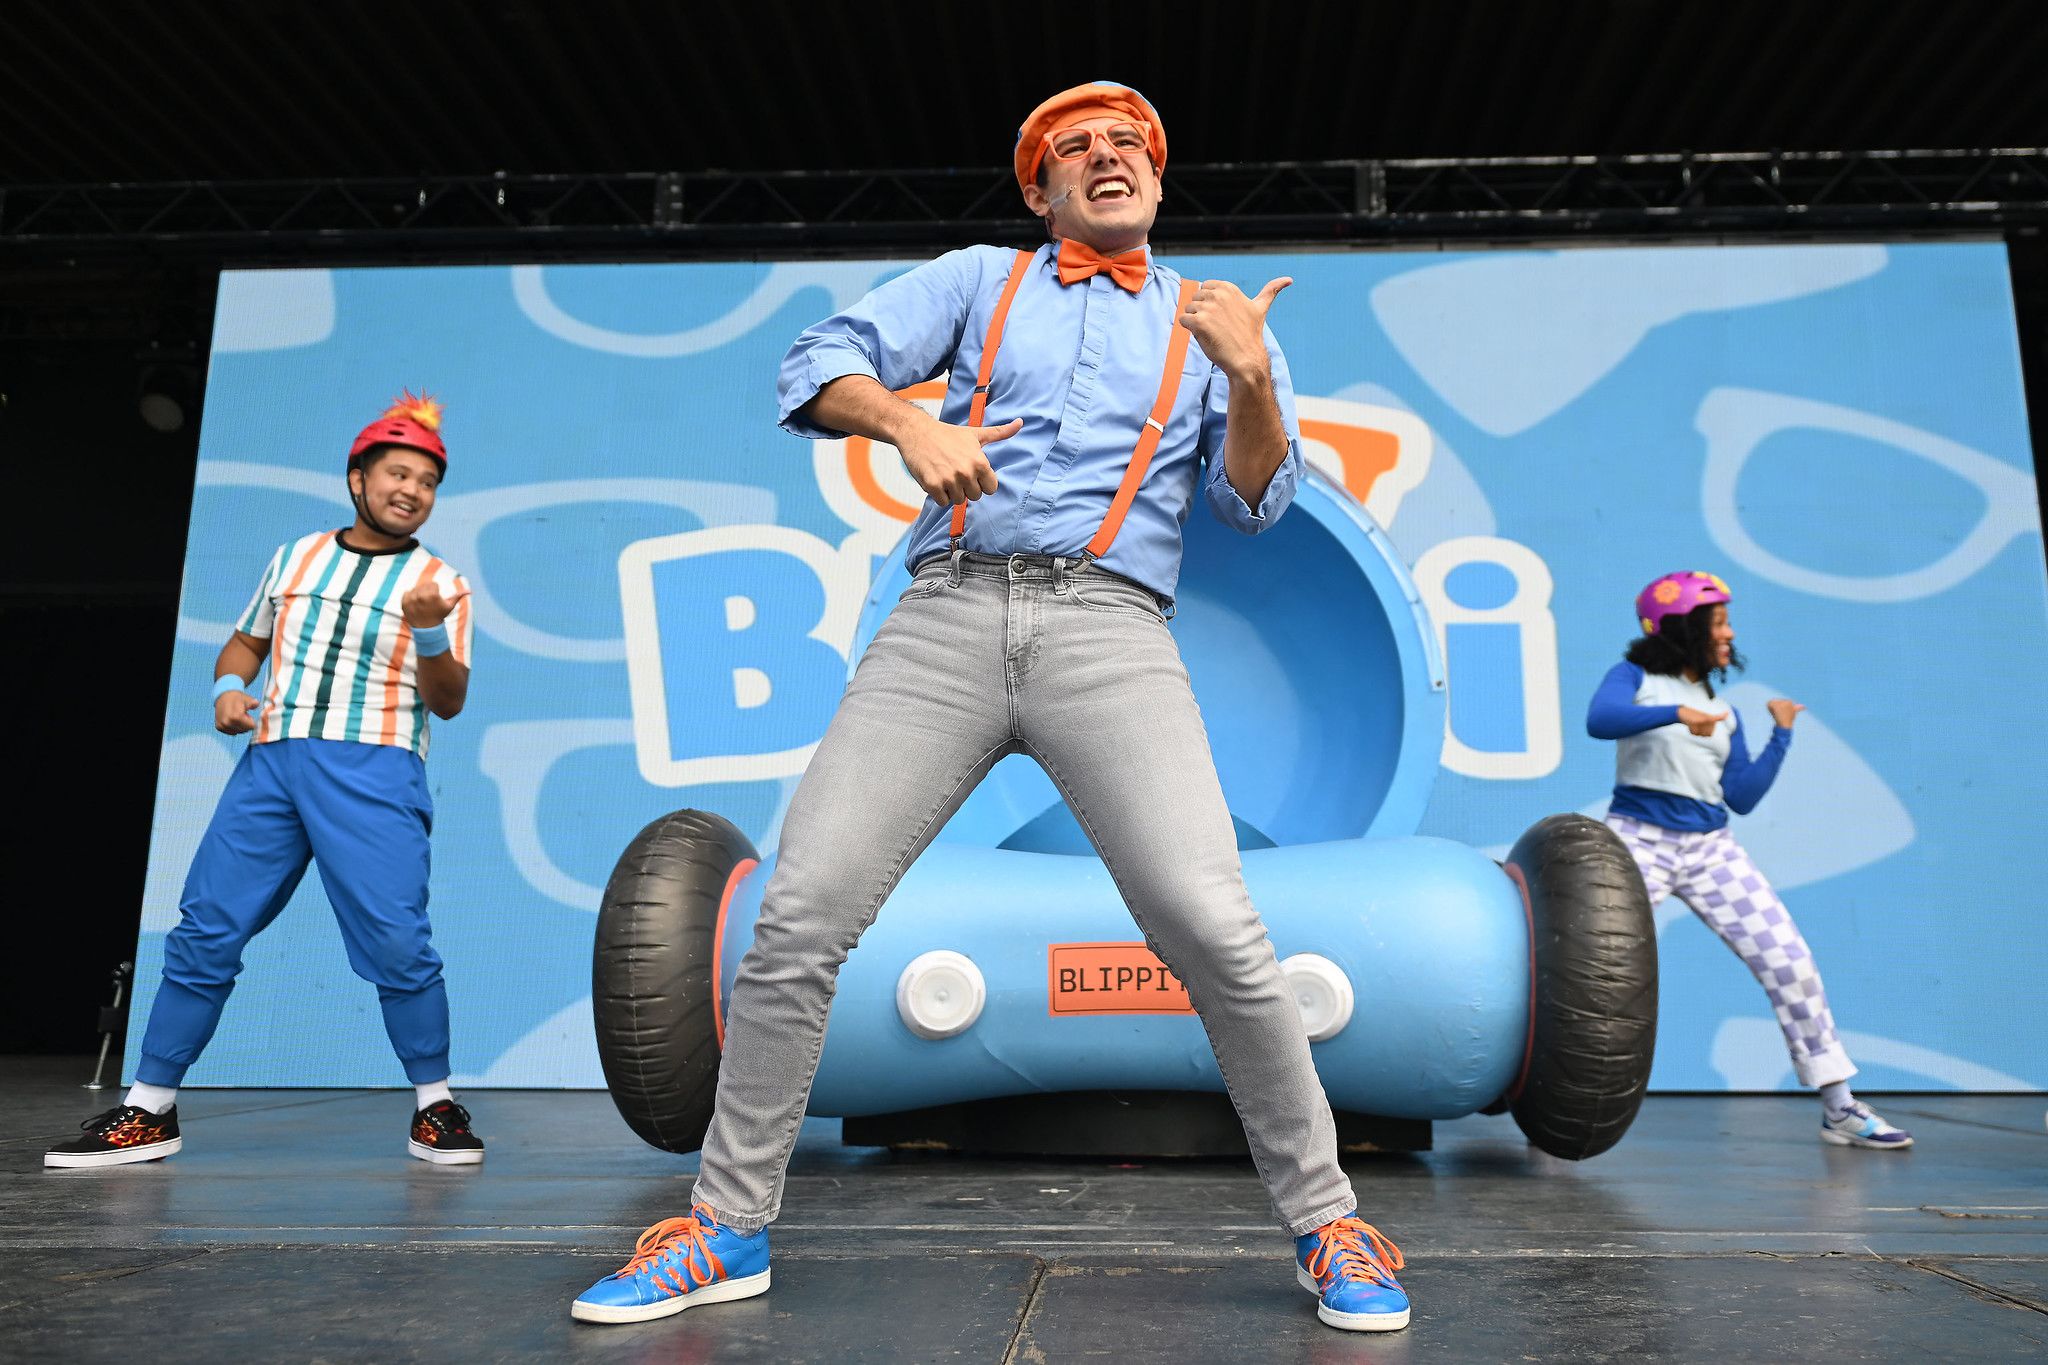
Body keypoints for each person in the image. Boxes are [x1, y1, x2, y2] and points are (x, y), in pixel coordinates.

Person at [571, 82, 1409, 1333]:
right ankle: (725, 1226)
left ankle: (1328, 1224)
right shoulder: (979, 279)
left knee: (1214, 926)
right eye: (1075, 147)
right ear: (1040, 190)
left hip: (1109, 630)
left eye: (1126, 143)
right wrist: (905, 424)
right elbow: (814, 364)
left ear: (1156, 176)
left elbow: (1251, 504)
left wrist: (1246, 378)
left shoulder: (1216, 319)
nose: (1105, 155)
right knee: (799, 914)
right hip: (947, 618)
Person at [45, 393, 485, 1169]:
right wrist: (227, 689)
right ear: (358, 479)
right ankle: (149, 1107)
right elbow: (245, 644)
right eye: (397, 473)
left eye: (426, 480)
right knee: (205, 928)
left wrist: (425, 626)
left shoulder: (441, 583)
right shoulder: (295, 558)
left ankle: (435, 1106)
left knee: (397, 942)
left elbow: (448, 701)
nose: (412, 490)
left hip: (374, 766)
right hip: (272, 765)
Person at [1587, 571, 1911, 1151]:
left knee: (1790, 963)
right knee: (1594, 970)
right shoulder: (1635, 677)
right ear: (1683, 629)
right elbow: (1600, 719)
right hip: (1639, 840)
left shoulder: (1724, 710)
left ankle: (1839, 1107)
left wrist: (1781, 735)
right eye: (1719, 623)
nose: (1730, 634)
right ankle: (1555, 1101)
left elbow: (1741, 795)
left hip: (1710, 848)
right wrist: (1674, 714)